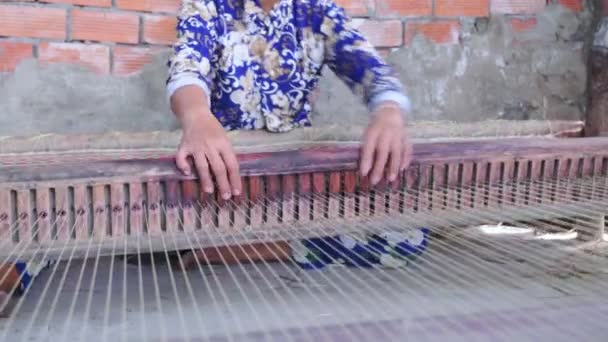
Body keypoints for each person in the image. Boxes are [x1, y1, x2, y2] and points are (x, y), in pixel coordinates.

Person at [167, 0, 429, 269]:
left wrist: (388, 111)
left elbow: (372, 71)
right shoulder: (207, 8)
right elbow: (186, 70)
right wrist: (197, 116)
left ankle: (266, 247)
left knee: (408, 235)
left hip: (295, 187)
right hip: (224, 179)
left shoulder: (318, 11)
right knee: (163, 224)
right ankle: (246, 239)